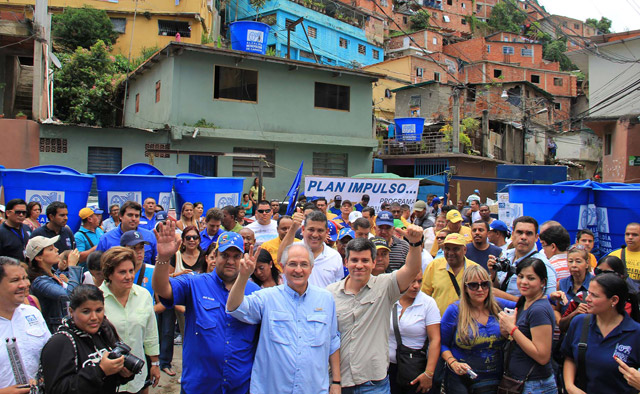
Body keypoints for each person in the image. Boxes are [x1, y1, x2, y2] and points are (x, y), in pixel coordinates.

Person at [153, 226, 260, 393]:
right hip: (199, 386)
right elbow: (162, 289)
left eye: (236, 256)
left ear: (243, 258)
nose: (230, 261)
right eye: (225, 255)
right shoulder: (195, 283)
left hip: (239, 387)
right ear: (214, 257)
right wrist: (163, 258)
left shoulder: (255, 292)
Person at [227, 243, 341, 394]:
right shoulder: (267, 297)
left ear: (311, 268)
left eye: (304, 264)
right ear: (282, 267)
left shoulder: (325, 299)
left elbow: (333, 341)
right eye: (292, 264)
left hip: (313, 389)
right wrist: (243, 276)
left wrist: (336, 382)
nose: (298, 270)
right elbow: (234, 308)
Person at [327, 225, 424, 392]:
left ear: (373, 263)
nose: (359, 265)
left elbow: (411, 270)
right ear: (346, 262)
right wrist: (334, 381)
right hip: (339, 382)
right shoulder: (330, 293)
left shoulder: (385, 286)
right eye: (354, 260)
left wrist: (415, 244)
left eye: (365, 260)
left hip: (373, 384)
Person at [40, 285, 135, 394]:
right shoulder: (60, 342)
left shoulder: (104, 331)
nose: (94, 317)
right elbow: (57, 389)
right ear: (71, 311)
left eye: (99, 310)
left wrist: (122, 372)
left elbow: (108, 382)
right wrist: (100, 371)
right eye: (86, 311)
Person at [441, 265, 515, 393]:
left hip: (493, 378)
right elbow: (442, 344)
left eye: (485, 284)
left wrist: (550, 298)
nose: (480, 289)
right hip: (461, 378)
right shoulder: (454, 311)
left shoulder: (498, 305)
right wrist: (453, 363)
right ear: (465, 287)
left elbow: (525, 305)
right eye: (474, 285)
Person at [562, 273, 640, 394]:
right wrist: (570, 386)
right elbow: (569, 357)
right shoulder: (579, 322)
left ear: (614, 300)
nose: (587, 298)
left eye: (594, 295)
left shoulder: (635, 333)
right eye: (588, 293)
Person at [100, 247, 160, 394]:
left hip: (137, 376)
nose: (129, 276)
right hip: (107, 379)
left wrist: (155, 363)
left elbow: (150, 333)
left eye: (131, 271)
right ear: (109, 274)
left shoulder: (144, 295)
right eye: (122, 272)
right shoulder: (97, 299)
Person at [498, 258, 557, 393]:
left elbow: (542, 356)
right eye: (521, 276)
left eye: (531, 278)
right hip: (521, 382)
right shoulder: (525, 301)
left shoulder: (539, 310)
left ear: (543, 282)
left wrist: (512, 329)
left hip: (535, 385)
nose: (524, 282)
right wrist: (506, 331)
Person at [0, 257, 51, 393]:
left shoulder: (33, 313)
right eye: (15, 280)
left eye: (25, 278)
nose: (24, 284)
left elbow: (50, 357)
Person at [388, 272, 441, 394]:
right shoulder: (390, 299)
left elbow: (435, 339)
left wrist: (429, 373)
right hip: (389, 368)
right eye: (412, 281)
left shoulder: (428, 303)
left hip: (415, 368)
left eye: (420, 281)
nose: (416, 286)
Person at [489, 216, 557, 301]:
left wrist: (502, 296)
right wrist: (493, 275)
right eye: (519, 232)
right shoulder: (506, 256)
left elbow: (549, 303)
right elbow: (497, 287)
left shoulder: (543, 265)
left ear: (536, 237)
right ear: (513, 235)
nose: (523, 237)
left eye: (529, 233)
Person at [27, 236, 82, 331]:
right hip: (56, 331)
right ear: (39, 257)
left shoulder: (55, 274)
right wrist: (72, 266)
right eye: (51, 249)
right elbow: (71, 295)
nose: (57, 250)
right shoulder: (40, 282)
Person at [278, 211, 344, 288]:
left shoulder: (334, 256)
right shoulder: (292, 250)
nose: (315, 235)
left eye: (320, 230)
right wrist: (293, 227)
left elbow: (337, 287)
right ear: (303, 229)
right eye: (311, 230)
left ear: (327, 232)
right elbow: (280, 259)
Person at [422, 233, 480, 316]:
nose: (450, 253)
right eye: (447, 249)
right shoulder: (434, 266)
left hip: (466, 322)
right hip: (438, 322)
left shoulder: (475, 269)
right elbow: (424, 295)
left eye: (456, 249)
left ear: (464, 250)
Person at [96, 201, 157, 266]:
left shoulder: (149, 236)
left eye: (137, 216)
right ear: (120, 216)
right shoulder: (106, 239)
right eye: (130, 215)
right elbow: (99, 265)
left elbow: (156, 262)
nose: (134, 219)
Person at [557, 245, 593, 332]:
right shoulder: (561, 284)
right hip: (566, 333)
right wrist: (560, 322)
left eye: (578, 261)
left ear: (587, 263)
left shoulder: (595, 284)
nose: (574, 265)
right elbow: (556, 309)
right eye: (570, 261)